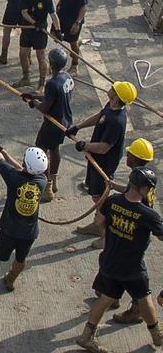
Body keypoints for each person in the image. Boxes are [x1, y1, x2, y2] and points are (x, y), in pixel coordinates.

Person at [76, 168, 163, 352]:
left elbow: (99, 222)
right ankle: (157, 335)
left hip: (109, 261)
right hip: (132, 268)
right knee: (144, 298)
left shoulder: (113, 201)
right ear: (144, 188)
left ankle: (86, 336)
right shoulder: (148, 215)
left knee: (105, 298)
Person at [0, 119, 48, 298]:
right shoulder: (42, 181)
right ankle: (10, 280)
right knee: (21, 259)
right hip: (29, 232)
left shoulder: (13, 178)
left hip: (9, 230)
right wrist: (6, 153)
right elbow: (22, 168)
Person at [66, 81, 136, 248]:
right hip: (95, 158)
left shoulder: (117, 121)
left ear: (117, 97)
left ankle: (105, 234)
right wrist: (78, 126)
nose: (110, 88)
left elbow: (104, 148)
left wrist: (85, 145)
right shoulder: (111, 107)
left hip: (104, 163)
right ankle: (98, 224)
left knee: (100, 198)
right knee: (94, 193)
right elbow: (100, 116)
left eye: (114, 89)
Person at [110, 138, 156, 326]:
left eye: (129, 154)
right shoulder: (143, 179)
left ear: (135, 158)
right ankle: (111, 294)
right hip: (137, 230)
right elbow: (130, 190)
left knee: (132, 273)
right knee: (117, 262)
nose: (126, 156)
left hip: (134, 233)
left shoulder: (138, 179)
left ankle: (137, 309)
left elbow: (131, 197)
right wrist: (114, 186)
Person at [22, 46, 73, 203]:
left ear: (51, 64)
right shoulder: (67, 77)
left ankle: (47, 188)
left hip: (52, 124)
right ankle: (53, 179)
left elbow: (44, 108)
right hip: (65, 121)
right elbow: (55, 97)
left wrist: (34, 103)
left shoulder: (52, 83)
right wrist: (35, 96)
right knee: (55, 149)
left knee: (41, 153)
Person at [16, 0, 62, 89]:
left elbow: (53, 15)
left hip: (40, 32)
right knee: (22, 54)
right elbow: (24, 12)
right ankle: (26, 77)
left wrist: (58, 30)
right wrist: (34, 22)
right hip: (27, 29)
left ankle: (41, 84)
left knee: (40, 57)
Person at [56, 0, 88, 76]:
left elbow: (84, 7)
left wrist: (77, 23)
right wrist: (59, 5)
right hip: (63, 14)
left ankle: (75, 65)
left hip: (74, 19)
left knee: (72, 43)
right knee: (55, 35)